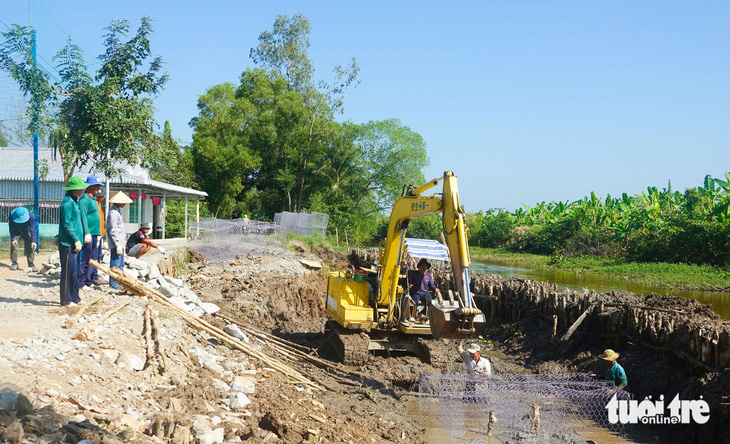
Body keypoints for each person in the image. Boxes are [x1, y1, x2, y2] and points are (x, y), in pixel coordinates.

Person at [58, 176, 87, 306]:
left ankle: (75, 297)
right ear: (75, 189)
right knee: (68, 272)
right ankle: (66, 299)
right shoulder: (68, 203)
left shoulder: (74, 201)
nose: (83, 190)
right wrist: (75, 239)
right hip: (68, 244)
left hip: (75, 243)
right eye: (81, 188)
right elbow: (67, 223)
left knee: (74, 272)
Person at [77, 176, 104, 289]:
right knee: (85, 258)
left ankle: (88, 280)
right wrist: (86, 232)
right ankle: (81, 282)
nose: (98, 188)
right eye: (96, 186)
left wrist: (98, 234)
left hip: (95, 234)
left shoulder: (93, 200)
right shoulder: (84, 200)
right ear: (89, 186)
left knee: (93, 259)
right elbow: (83, 216)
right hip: (88, 234)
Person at [107, 191, 132, 290]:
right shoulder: (113, 213)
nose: (125, 204)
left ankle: (120, 281)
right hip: (116, 243)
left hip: (120, 242)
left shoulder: (117, 211)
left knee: (120, 263)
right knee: (115, 263)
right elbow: (113, 230)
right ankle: (113, 283)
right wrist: (117, 244)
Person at [8, 207, 37, 272]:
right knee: (14, 246)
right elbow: (11, 227)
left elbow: (32, 228)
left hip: (26, 231)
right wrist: (13, 239)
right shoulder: (11, 215)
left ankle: (31, 264)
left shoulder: (30, 216)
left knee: (30, 246)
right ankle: (14, 263)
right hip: (16, 232)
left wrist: (33, 241)